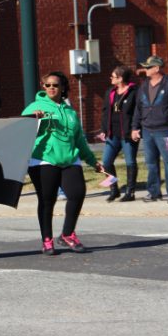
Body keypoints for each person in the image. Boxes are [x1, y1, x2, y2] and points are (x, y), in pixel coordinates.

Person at [22, 71, 103, 256]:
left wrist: (93, 161)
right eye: (48, 85)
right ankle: (47, 240)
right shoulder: (34, 107)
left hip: (69, 158)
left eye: (55, 85)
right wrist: (35, 120)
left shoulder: (70, 111)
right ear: (43, 87)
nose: (51, 88)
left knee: (77, 193)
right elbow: (21, 131)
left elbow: (79, 140)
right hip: (43, 159)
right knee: (47, 200)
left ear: (63, 87)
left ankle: (67, 234)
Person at [130, 55, 168, 204]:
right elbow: (138, 109)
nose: (145, 69)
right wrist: (135, 128)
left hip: (165, 131)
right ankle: (154, 192)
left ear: (157, 68)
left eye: (148, 67)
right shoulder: (143, 86)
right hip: (147, 131)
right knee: (150, 163)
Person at [96, 66, 139, 202]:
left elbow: (138, 112)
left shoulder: (134, 92)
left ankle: (130, 192)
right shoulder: (110, 92)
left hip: (127, 134)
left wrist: (136, 128)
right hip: (112, 133)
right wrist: (103, 130)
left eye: (113, 76)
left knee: (130, 162)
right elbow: (105, 112)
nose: (111, 78)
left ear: (120, 78)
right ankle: (114, 189)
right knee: (106, 162)